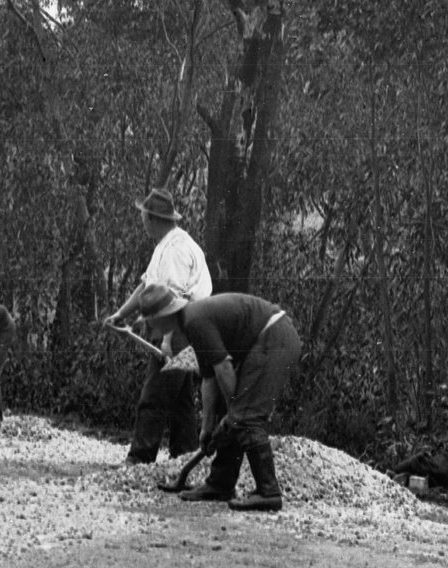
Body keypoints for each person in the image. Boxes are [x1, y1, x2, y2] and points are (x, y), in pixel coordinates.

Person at [131, 284, 301, 512]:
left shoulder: (194, 321)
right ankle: (220, 484)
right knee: (233, 412)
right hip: (267, 340)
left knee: (245, 415)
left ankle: (268, 492)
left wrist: (234, 412)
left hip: (275, 338)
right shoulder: (189, 323)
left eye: (149, 320)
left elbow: (224, 369)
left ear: (162, 316)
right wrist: (208, 427)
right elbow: (210, 377)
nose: (149, 327)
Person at [103, 187, 213, 464]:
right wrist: (121, 314)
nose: (142, 223)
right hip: (182, 329)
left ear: (153, 219)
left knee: (155, 393)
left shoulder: (176, 250)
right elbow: (146, 286)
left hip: (180, 330)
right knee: (180, 399)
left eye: (143, 218)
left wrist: (167, 338)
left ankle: (140, 457)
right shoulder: (167, 245)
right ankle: (184, 457)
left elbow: (172, 302)